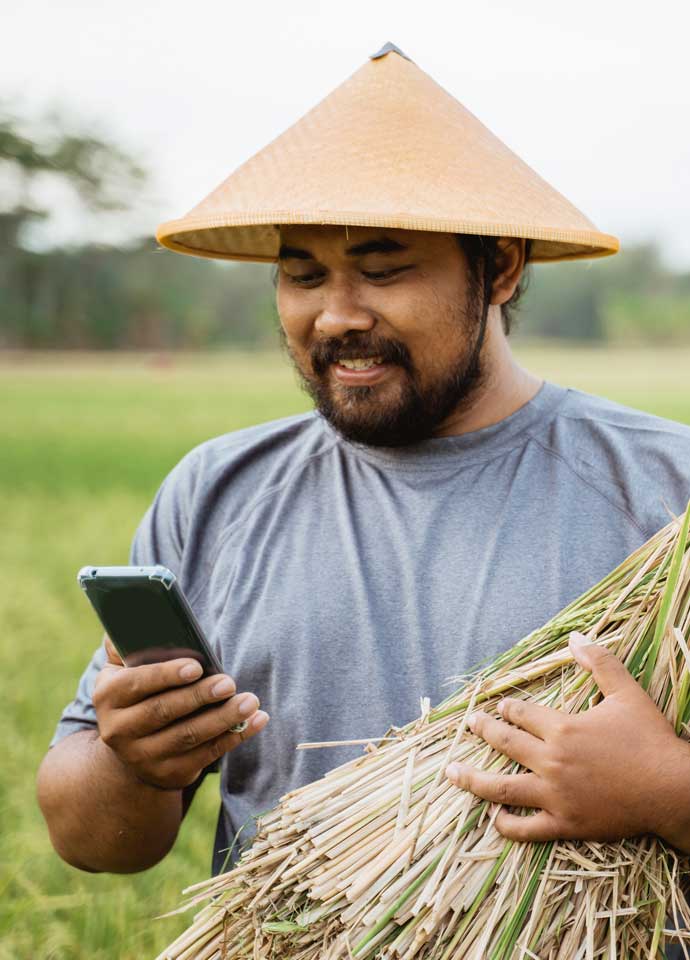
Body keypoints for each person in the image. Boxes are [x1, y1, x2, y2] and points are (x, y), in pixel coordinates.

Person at [38, 44, 690, 896]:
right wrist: (134, 763)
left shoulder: (663, 492)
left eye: (383, 271)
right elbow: (95, 840)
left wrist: (668, 793)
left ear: (499, 268)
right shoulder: (219, 492)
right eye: (302, 275)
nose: (336, 315)